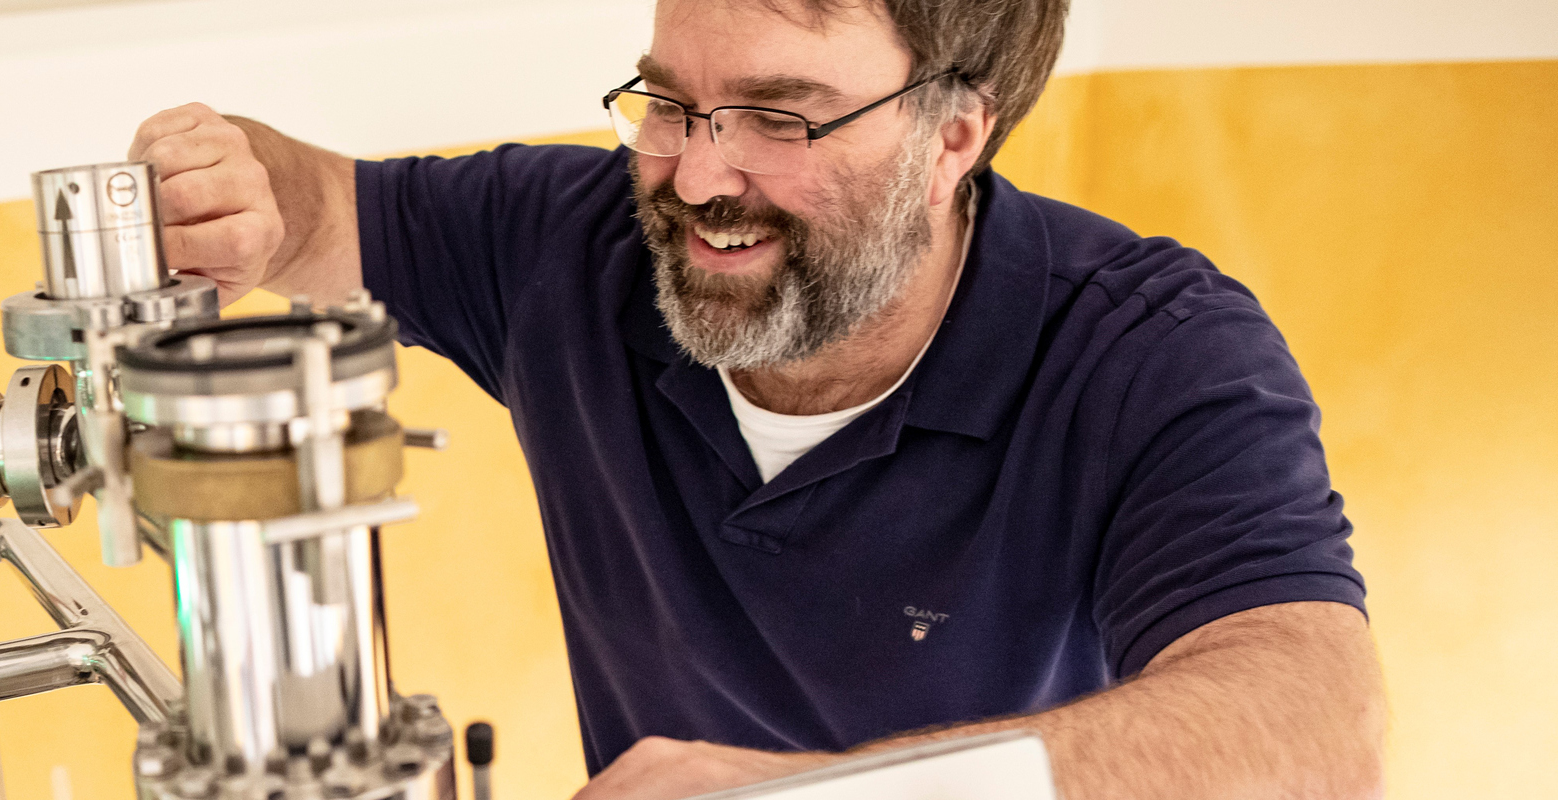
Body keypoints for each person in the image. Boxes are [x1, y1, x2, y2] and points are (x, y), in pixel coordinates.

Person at [123, 0, 1385, 798]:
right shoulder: (571, 246)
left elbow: (1312, 734)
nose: (699, 172)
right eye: (669, 102)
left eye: (779, 118)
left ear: (954, 137)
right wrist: (245, 186)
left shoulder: (1154, 352)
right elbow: (320, 208)